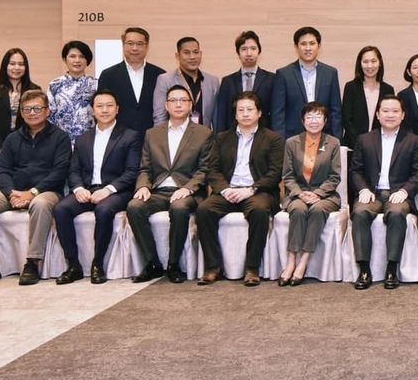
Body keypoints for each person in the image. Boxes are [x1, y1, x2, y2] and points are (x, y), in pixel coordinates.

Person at [0, 90, 71, 286]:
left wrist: (32, 193)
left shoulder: (60, 138)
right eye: (27, 109)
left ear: (48, 111)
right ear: (22, 113)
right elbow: (2, 170)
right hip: (15, 191)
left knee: (40, 205)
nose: (32, 113)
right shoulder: (12, 138)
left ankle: (33, 262)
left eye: (37, 108)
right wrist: (11, 193)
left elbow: (60, 171)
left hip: (46, 191)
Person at [126, 85, 215, 284]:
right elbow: (145, 168)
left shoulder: (203, 133)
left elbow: (205, 170)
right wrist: (143, 186)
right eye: (173, 100)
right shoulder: (152, 134)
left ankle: (173, 264)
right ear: (166, 106)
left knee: (179, 208)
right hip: (159, 190)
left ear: (191, 106)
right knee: (134, 206)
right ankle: (153, 263)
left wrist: (187, 188)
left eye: (183, 100)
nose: (178, 104)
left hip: (189, 191)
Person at [52, 89, 141, 285]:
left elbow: (132, 172)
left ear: (117, 109)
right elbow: (74, 170)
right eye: (99, 106)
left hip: (117, 191)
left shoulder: (130, 136)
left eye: (109, 106)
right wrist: (78, 189)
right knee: (61, 209)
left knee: (103, 209)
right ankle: (73, 265)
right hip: (88, 190)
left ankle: (97, 264)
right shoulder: (83, 138)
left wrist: (108, 190)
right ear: (93, 110)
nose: (104, 110)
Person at [196, 92, 285, 287]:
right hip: (229, 190)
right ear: (235, 114)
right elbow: (212, 170)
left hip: (258, 191)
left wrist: (251, 189)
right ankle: (213, 267)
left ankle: (252, 268)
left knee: (259, 211)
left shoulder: (273, 139)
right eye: (241, 110)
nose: (245, 114)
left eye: (250, 109)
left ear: (259, 113)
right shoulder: (221, 138)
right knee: (203, 210)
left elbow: (275, 173)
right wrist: (225, 190)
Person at [349, 95, 418, 290]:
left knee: (397, 213)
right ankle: (364, 269)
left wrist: (405, 191)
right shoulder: (364, 139)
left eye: (395, 111)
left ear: (402, 115)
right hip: (371, 193)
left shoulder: (413, 141)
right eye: (385, 111)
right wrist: (363, 188)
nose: (390, 115)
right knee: (360, 212)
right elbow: (355, 170)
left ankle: (392, 268)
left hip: (398, 193)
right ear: (377, 114)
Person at [278, 102, 342, 287]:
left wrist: (318, 194)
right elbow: (287, 175)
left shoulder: (333, 143)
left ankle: (304, 261)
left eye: (318, 117)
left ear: (325, 121)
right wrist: (300, 194)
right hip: (297, 194)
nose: (314, 121)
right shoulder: (291, 143)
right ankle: (291, 261)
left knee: (317, 210)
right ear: (303, 120)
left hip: (325, 196)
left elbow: (334, 176)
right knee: (298, 210)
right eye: (310, 117)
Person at [0, 48, 41, 191]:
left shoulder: (34, 89)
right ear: (5, 65)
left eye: (21, 64)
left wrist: (23, 147)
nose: (16, 68)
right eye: (12, 64)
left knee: (23, 190)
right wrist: (2, 148)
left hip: (25, 149)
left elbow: (37, 120)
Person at [273, 26, 342, 139]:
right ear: (296, 47)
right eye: (303, 44)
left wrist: (337, 140)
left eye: (312, 43)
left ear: (319, 46)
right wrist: (280, 142)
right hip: (293, 138)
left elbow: (336, 111)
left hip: (325, 137)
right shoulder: (283, 74)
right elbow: (278, 113)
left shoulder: (330, 73)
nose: (308, 48)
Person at [96, 27, 165, 133]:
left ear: (147, 47)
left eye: (139, 44)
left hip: (151, 136)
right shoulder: (108, 75)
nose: (134, 48)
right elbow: (101, 107)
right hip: (117, 137)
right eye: (130, 43)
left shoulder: (159, 75)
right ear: (123, 45)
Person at [152, 36, 221, 129]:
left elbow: (217, 119)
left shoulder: (212, 81)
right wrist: (161, 137)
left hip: (205, 136)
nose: (192, 57)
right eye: (187, 53)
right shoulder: (165, 80)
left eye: (196, 52)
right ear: (177, 56)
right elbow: (160, 117)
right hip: (175, 135)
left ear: (200, 54)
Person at [214, 31, 275, 131]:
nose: (249, 53)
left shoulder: (272, 79)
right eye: (244, 49)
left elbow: (275, 112)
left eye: (253, 48)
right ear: (238, 53)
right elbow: (222, 114)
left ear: (259, 51)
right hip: (233, 134)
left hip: (264, 134)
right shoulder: (228, 81)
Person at [342, 45, 396, 147]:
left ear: (380, 63)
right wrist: (360, 144)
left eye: (373, 61)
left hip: (380, 146)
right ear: (360, 64)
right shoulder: (351, 87)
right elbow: (347, 119)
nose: (370, 66)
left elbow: (388, 120)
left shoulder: (388, 89)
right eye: (365, 62)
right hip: (353, 146)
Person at [48, 40, 98, 144]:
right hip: (61, 141)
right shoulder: (54, 85)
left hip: (89, 141)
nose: (77, 60)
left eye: (82, 57)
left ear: (87, 60)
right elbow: (50, 116)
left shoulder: (96, 84)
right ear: (65, 59)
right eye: (72, 56)